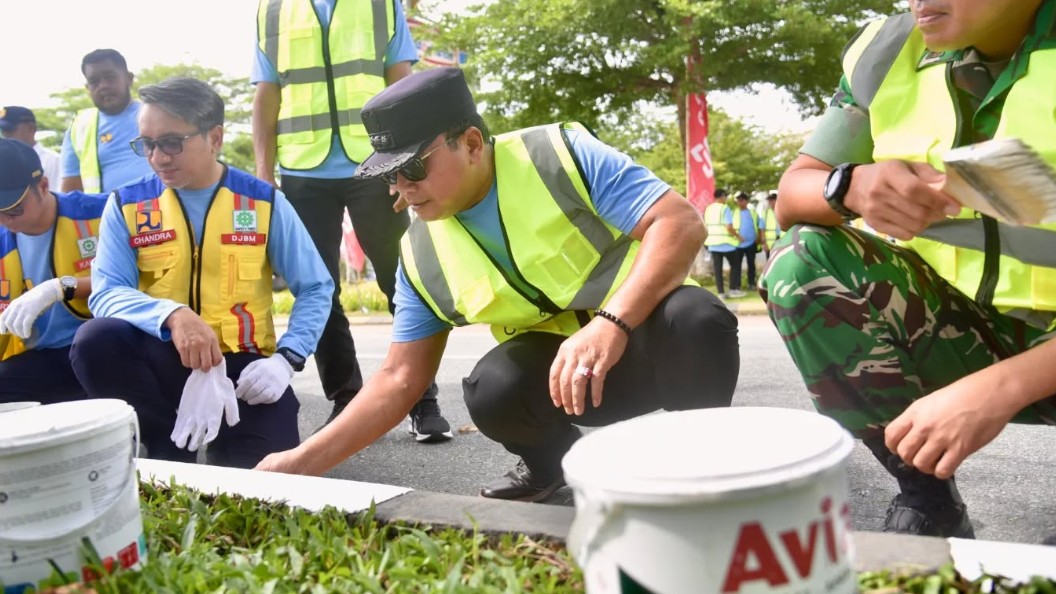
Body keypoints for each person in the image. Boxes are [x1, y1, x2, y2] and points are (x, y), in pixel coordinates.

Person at [255, 68, 740, 502]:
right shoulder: (419, 254)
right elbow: (399, 379)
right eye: (388, 175)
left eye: (413, 169)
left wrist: (612, 321)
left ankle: (700, 472)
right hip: (568, 383)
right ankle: (557, 471)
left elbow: (680, 223)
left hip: (647, 348)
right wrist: (297, 466)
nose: (401, 188)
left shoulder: (557, 155)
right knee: (491, 388)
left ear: (469, 143)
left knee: (695, 317)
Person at [760, 0, 1056, 539]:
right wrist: (848, 185)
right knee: (802, 261)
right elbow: (793, 193)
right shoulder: (890, 49)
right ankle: (928, 500)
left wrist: (1008, 384)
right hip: (965, 323)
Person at [70, 77, 333, 469]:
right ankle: (163, 441)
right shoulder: (127, 205)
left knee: (266, 486)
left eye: (172, 142)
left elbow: (315, 287)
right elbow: (106, 291)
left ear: (214, 138)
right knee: (96, 340)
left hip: (244, 371)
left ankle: (231, 444)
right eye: (147, 144)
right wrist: (172, 316)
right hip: (162, 358)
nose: (158, 157)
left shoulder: (262, 203)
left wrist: (285, 360)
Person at [251, 0, 451, 441]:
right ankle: (345, 398)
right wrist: (264, 175)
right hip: (302, 170)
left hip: (375, 165)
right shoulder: (270, 12)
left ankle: (422, 399)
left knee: (401, 280)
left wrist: (408, 160)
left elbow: (401, 83)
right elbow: (267, 95)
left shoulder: (381, 6)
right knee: (317, 289)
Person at [0, 138, 105, 404]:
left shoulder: (101, 213)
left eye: (14, 208)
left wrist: (59, 288)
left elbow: (133, 276)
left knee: (95, 344)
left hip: (107, 344)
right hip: (45, 356)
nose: (5, 220)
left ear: (44, 186)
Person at [60, 49, 153, 194]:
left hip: (163, 211)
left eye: (110, 77)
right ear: (87, 88)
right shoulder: (79, 127)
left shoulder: (157, 115)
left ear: (129, 78)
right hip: (105, 214)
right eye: (94, 81)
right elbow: (70, 192)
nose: (103, 86)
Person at [0, 107, 61, 187]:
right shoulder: (3, 161)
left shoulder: (52, 161)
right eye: (3, 130)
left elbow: (56, 196)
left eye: (10, 130)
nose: (5, 135)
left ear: (30, 128)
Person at [723, 192, 760, 297]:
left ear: (747, 201)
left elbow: (759, 225)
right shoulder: (733, 212)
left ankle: (751, 284)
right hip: (738, 244)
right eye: (738, 200)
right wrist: (738, 237)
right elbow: (729, 226)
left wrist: (758, 238)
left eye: (742, 200)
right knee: (736, 266)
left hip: (751, 243)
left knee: (751, 265)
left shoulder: (753, 213)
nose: (740, 202)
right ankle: (737, 285)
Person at [703, 189, 737, 299]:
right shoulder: (724, 208)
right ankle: (733, 289)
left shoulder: (708, 209)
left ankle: (721, 293)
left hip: (712, 244)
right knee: (735, 264)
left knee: (717, 269)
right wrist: (738, 237)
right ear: (722, 197)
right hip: (726, 243)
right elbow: (728, 227)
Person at [761, 192, 781, 259]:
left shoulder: (783, 211)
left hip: (783, 241)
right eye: (769, 200)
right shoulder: (766, 213)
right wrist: (764, 243)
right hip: (770, 243)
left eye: (772, 200)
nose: (771, 202)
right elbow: (762, 229)